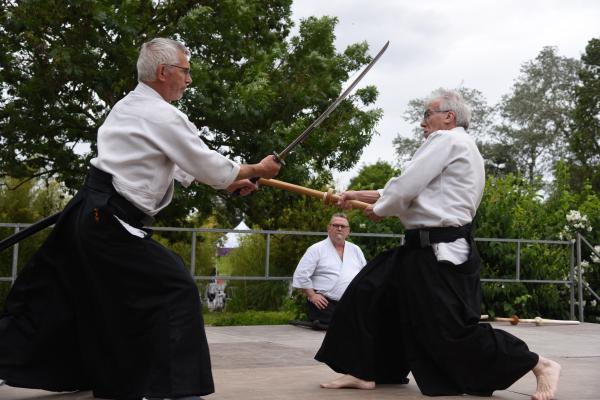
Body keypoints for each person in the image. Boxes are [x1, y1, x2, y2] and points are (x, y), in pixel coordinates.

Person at [0, 38, 280, 400]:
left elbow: (176, 163)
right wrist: (257, 168)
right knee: (174, 286)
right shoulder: (161, 114)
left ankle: (119, 382)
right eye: (185, 71)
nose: (189, 80)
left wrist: (229, 182)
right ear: (164, 72)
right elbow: (208, 164)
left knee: (75, 296)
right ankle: (176, 390)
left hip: (94, 215)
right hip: (108, 219)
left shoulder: (129, 107)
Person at [315, 89, 561, 400]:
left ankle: (539, 364)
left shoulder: (447, 140)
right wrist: (355, 196)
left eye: (427, 114)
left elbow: (405, 188)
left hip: (439, 251)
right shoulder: (458, 145)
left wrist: (378, 209)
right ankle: (366, 371)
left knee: (452, 332)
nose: (422, 122)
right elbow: (403, 188)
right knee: (371, 292)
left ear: (449, 117)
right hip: (419, 248)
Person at [292, 213, 366, 330]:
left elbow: (364, 275)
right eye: (336, 225)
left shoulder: (355, 250)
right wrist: (312, 295)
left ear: (348, 230)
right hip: (324, 302)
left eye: (343, 226)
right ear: (329, 228)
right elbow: (301, 274)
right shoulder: (316, 249)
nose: (339, 228)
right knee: (339, 324)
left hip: (349, 301)